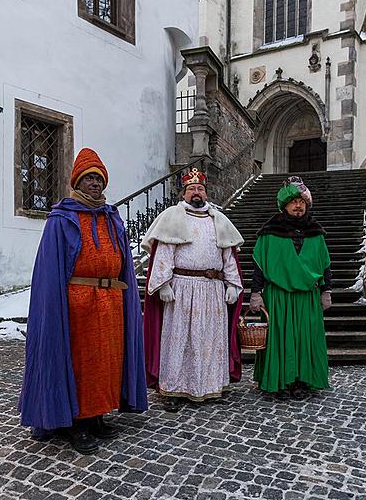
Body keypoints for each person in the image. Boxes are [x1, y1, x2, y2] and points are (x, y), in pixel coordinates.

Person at [19, 148, 148, 453]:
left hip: (111, 300)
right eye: (89, 178)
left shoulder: (110, 217)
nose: (95, 183)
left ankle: (98, 417)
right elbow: (50, 271)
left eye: (99, 178)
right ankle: (76, 423)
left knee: (108, 362)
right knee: (82, 363)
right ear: (77, 182)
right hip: (78, 304)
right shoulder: (61, 219)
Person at [142, 168, 244, 411]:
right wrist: (163, 284)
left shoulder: (218, 219)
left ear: (206, 193)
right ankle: (174, 388)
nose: (196, 192)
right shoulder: (172, 217)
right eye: (191, 189)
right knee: (180, 341)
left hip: (212, 291)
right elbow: (164, 252)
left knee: (210, 341)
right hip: (182, 289)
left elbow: (228, 254)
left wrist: (232, 284)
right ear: (184, 193)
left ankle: (209, 385)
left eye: (200, 188)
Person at [250, 176, 332, 401]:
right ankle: (279, 383)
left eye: (302, 202)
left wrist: (327, 291)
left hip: (307, 297)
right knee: (280, 339)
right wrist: (256, 293)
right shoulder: (269, 232)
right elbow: (259, 264)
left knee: (305, 340)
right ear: (284, 205)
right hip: (279, 296)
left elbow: (325, 264)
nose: (298, 206)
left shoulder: (316, 232)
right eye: (294, 201)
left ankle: (301, 381)